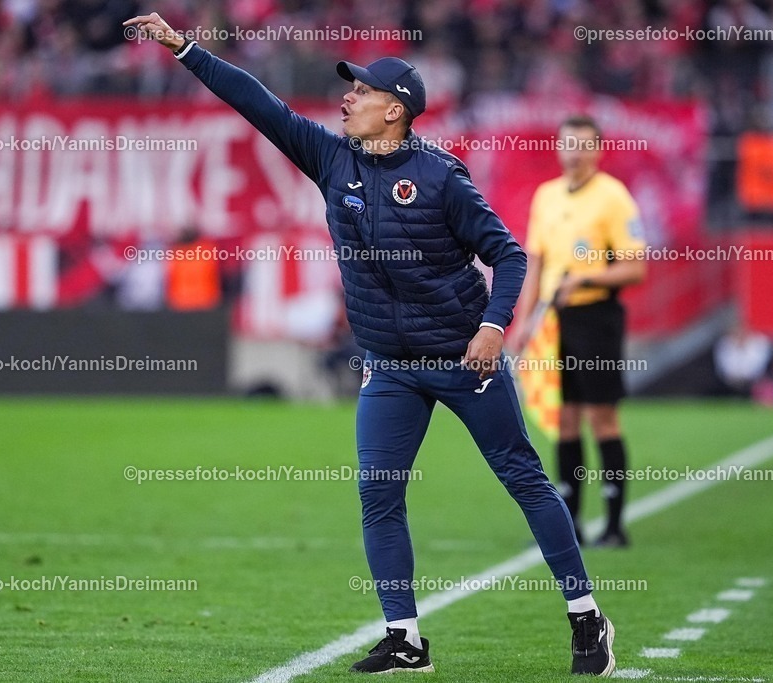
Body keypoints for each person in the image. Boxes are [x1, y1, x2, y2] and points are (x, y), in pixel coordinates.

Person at [124, 13, 615, 677]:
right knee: (379, 494)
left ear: (396, 110)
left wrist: (494, 328)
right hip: (390, 367)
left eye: (361, 90)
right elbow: (258, 103)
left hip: (461, 358)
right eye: (349, 87)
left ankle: (587, 620)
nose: (348, 97)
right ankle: (405, 637)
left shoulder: (442, 178)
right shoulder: (332, 159)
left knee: (523, 478)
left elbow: (510, 254)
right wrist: (185, 47)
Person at [510, 115, 647, 549]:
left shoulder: (614, 198)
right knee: (564, 419)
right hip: (554, 321)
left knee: (601, 417)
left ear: (598, 149)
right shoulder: (546, 196)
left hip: (596, 318)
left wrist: (585, 280)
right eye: (568, 144)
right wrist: (521, 321)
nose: (575, 152)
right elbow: (537, 265)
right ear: (558, 147)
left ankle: (614, 523)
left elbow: (635, 266)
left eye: (584, 145)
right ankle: (569, 523)